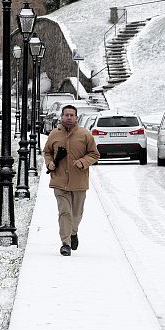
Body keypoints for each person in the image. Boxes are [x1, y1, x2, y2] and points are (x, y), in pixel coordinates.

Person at [43, 104, 100, 256]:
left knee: (77, 213)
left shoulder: (85, 134)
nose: (68, 117)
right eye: (66, 115)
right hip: (59, 181)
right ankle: (65, 243)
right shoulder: (54, 134)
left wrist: (83, 162)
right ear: (61, 117)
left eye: (71, 115)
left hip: (79, 182)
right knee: (64, 212)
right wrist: (49, 163)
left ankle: (73, 232)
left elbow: (94, 154)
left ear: (76, 117)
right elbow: (47, 152)